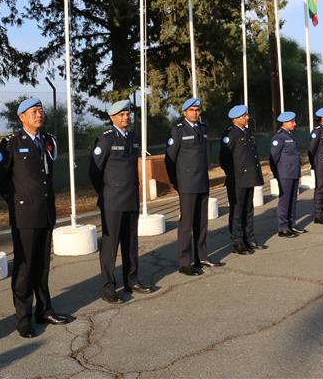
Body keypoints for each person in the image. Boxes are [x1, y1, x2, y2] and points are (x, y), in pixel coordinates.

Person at [0, 98, 72, 338]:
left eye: (41, 110)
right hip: (24, 214)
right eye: (34, 111)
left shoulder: (47, 141)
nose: (39, 114)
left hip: (45, 211)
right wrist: (15, 199)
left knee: (42, 266)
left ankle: (44, 309)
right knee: (24, 268)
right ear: (22, 117)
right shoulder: (11, 144)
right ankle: (23, 318)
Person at [88, 100, 154, 303]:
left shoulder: (133, 138)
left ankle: (131, 279)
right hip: (112, 202)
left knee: (131, 242)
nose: (127, 117)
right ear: (113, 118)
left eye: (128, 114)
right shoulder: (106, 139)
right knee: (110, 246)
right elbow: (94, 171)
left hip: (130, 198)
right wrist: (106, 192)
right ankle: (108, 287)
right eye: (122, 115)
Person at [165, 98, 224, 276]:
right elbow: (170, 159)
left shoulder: (202, 129)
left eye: (198, 110)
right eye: (192, 110)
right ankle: (185, 261)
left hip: (202, 181)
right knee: (187, 223)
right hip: (187, 183)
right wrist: (176, 182)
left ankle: (201, 256)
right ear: (184, 112)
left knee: (202, 222)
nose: (195, 113)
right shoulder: (178, 131)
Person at [219, 105, 266, 254]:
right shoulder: (230, 134)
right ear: (237, 118)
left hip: (249, 177)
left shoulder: (247, 132)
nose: (247, 118)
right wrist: (233, 174)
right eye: (245, 116)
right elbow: (224, 158)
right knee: (237, 211)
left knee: (248, 209)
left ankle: (249, 238)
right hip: (237, 179)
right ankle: (237, 241)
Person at [270, 112, 303, 237]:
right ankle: (283, 227)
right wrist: (277, 174)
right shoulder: (279, 137)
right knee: (285, 201)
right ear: (285, 122)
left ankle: (292, 225)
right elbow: (273, 158)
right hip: (284, 174)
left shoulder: (290, 135)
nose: (295, 124)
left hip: (293, 173)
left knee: (293, 200)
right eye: (292, 122)